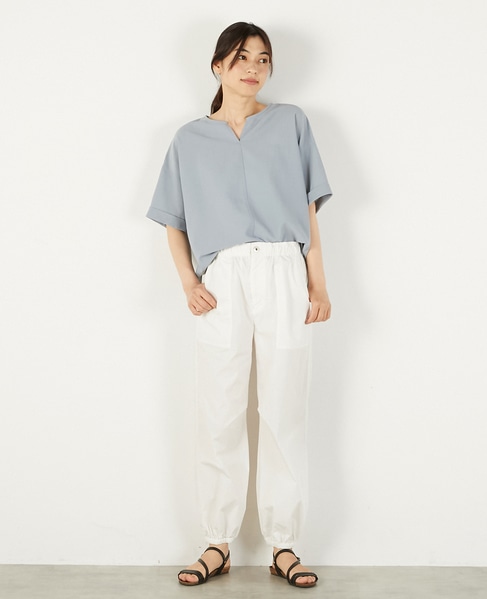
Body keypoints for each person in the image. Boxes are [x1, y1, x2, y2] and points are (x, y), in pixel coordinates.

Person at [147, 21, 333, 589]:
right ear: (218, 66)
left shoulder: (290, 122)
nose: (253, 68)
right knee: (219, 408)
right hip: (222, 277)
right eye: (241, 57)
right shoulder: (188, 139)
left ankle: (284, 545)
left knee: (284, 408)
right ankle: (217, 542)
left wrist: (318, 284)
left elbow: (308, 211)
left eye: (263, 59)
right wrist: (188, 283)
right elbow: (173, 220)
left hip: (282, 269)